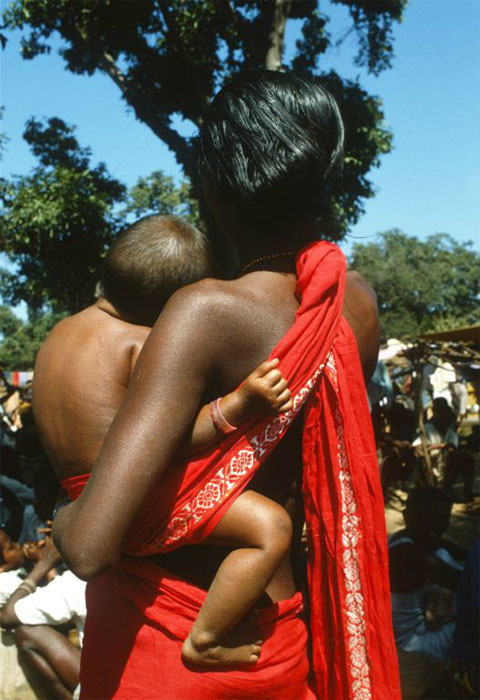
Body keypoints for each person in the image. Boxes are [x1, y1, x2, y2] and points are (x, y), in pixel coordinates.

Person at [53, 71, 400, 699]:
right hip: (280, 642)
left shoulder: (205, 312)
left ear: (215, 190)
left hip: (168, 652)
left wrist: (60, 518)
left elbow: (89, 549)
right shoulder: (357, 307)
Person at [33, 212, 295, 668]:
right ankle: (207, 639)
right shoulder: (139, 347)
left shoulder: (59, 334)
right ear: (171, 307)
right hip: (129, 504)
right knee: (270, 529)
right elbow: (163, 440)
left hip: (83, 495)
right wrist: (235, 406)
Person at [0, 533, 86, 700]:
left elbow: (8, 615)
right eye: (10, 547)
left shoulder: (75, 582)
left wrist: (45, 562)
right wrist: (46, 562)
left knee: (27, 633)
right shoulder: (6, 583)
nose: (20, 546)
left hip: (103, 682)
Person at [388, 487, 466, 661]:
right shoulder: (408, 553)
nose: (440, 526)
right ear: (412, 517)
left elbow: (459, 552)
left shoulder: (411, 538)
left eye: (444, 520)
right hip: (412, 645)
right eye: (433, 519)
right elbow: (463, 582)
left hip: (420, 632)